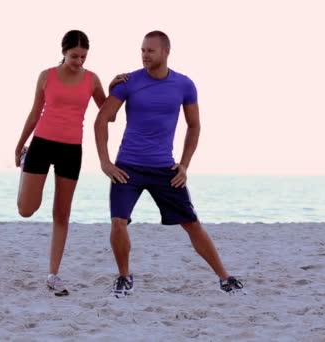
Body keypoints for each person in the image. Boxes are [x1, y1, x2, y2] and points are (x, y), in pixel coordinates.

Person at [94, 30, 245, 298]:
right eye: (142, 50)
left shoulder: (184, 85)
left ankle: (225, 277)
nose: (144, 55)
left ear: (166, 52)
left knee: (192, 224)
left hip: (165, 169)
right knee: (118, 222)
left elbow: (194, 126)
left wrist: (184, 165)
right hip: (128, 166)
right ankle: (124, 277)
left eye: (150, 50)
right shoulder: (128, 82)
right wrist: (105, 162)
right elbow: (103, 119)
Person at [15, 30, 125, 296]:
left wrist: (113, 88)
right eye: (74, 56)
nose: (79, 61)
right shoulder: (46, 76)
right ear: (63, 52)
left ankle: (53, 274)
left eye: (83, 56)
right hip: (41, 144)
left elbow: (108, 114)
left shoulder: (91, 79)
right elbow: (34, 113)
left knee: (61, 214)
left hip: (71, 150)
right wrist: (20, 145)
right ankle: (27, 158)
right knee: (26, 210)